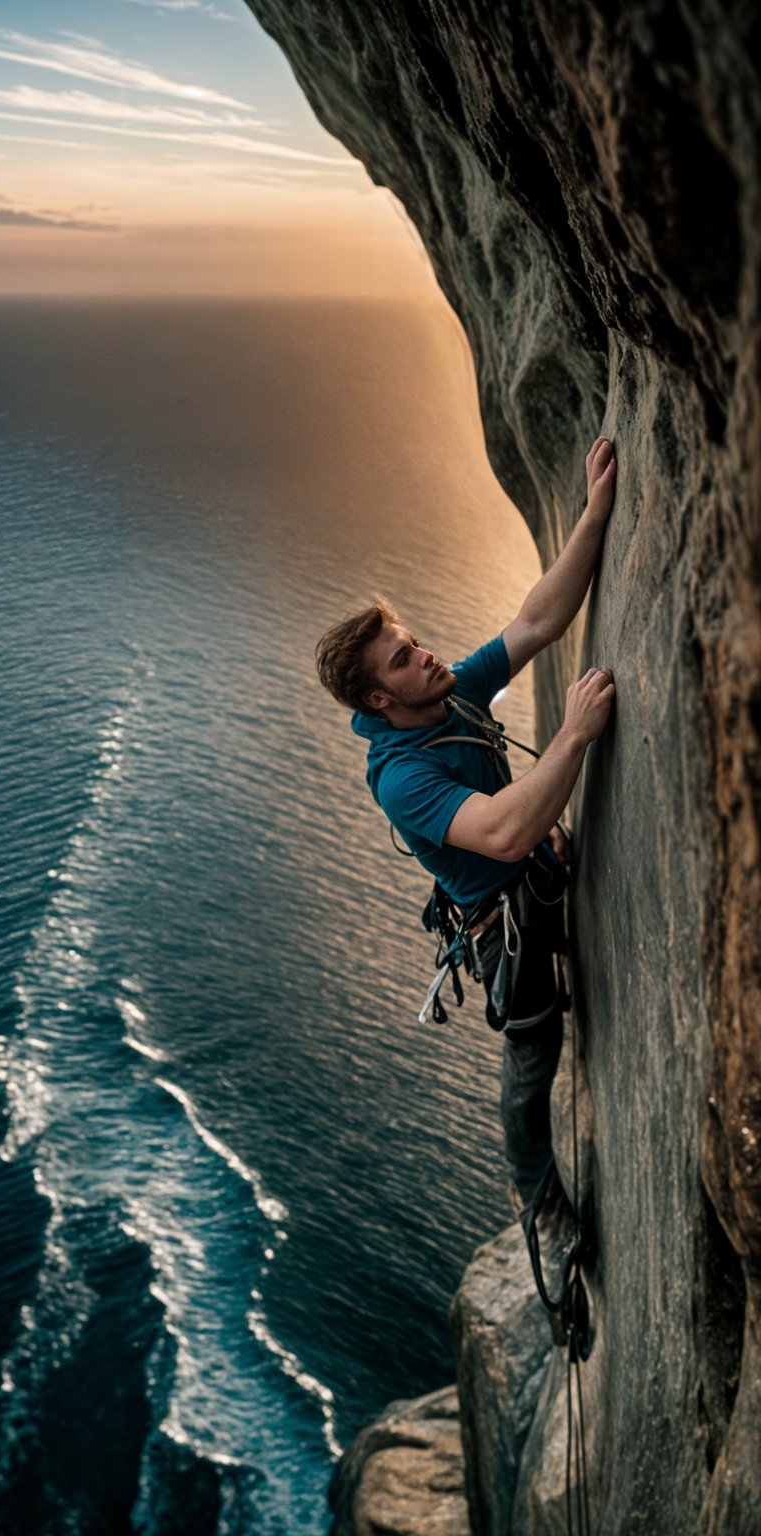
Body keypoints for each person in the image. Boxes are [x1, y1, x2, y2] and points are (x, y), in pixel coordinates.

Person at [315, 437, 617, 1216]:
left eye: (410, 641)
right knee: (533, 1053)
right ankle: (535, 1196)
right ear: (380, 701)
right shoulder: (402, 778)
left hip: (537, 878)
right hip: (500, 924)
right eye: (403, 660)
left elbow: (538, 621)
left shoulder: (448, 696)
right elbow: (505, 833)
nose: (424, 655)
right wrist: (574, 734)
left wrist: (593, 510)